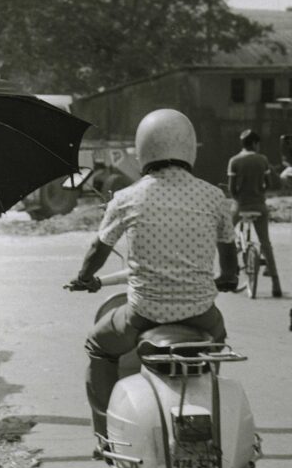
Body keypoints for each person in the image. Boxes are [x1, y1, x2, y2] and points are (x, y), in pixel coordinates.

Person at [67, 108, 238, 441]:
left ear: (142, 150)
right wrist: (226, 279)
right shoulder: (214, 196)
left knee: (98, 346)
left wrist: (84, 278)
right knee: (215, 342)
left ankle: (105, 433)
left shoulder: (127, 197)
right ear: (189, 147)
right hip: (202, 315)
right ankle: (207, 403)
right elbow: (230, 262)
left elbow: (98, 248)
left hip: (144, 314)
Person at [228, 129, 282, 298]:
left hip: (241, 206)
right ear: (254, 144)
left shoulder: (234, 161)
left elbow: (231, 189)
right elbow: (269, 183)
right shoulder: (262, 160)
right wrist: (260, 193)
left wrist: (239, 199)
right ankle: (276, 283)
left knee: (226, 233)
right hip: (259, 206)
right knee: (265, 243)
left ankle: (230, 270)